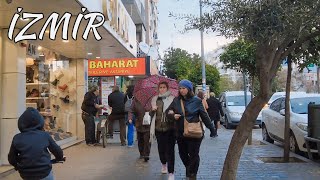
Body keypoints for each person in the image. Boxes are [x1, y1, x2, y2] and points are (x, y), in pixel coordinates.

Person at [167, 79, 215, 180]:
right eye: (180, 88)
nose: (181, 90)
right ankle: (189, 169)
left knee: (194, 155)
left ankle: (192, 174)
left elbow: (204, 116)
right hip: (180, 133)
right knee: (182, 154)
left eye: (183, 88)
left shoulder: (197, 101)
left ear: (189, 89)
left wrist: (212, 128)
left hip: (194, 132)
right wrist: (172, 115)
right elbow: (169, 111)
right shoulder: (176, 100)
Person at [8, 107, 64, 180]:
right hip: (44, 172)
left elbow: (11, 158)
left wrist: (17, 166)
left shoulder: (17, 138)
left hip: (26, 174)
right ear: (40, 121)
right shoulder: (45, 135)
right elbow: (57, 151)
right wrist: (59, 158)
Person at [149, 82, 176, 180]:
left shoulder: (173, 99)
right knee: (161, 150)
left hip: (170, 129)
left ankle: (171, 172)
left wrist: (173, 112)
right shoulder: (155, 99)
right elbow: (150, 115)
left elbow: (177, 111)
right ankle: (163, 163)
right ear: (158, 88)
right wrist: (153, 110)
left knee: (170, 151)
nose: (162, 89)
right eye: (160, 87)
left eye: (164, 87)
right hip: (158, 128)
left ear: (167, 88)